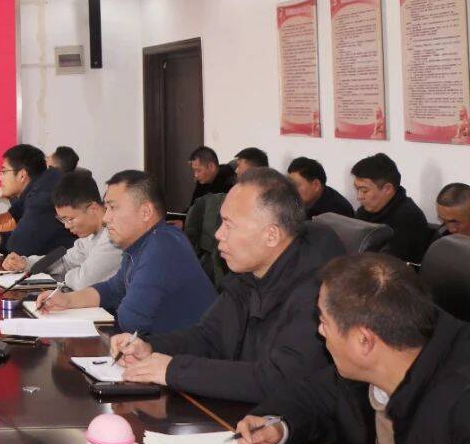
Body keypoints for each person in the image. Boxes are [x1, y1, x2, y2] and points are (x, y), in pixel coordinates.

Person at [112, 168, 345, 403]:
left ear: (271, 235)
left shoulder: (319, 292)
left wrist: (173, 370)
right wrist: (150, 347)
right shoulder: (248, 275)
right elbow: (208, 337)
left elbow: (277, 379)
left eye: (228, 224)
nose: (218, 234)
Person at [236, 253, 470, 444]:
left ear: (364, 341)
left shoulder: (460, 404)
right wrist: (278, 425)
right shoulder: (391, 353)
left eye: (324, 322)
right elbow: (316, 395)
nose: (320, 331)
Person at [36, 170, 214, 335]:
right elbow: (112, 289)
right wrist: (67, 300)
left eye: (113, 208)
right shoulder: (140, 245)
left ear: (145, 212)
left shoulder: (162, 246)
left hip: (189, 354)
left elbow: (131, 320)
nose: (106, 218)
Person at [5, 169, 120, 289]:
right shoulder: (89, 236)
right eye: (62, 220)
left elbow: (83, 282)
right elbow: (65, 262)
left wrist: (68, 275)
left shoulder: (113, 236)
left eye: (70, 219)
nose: (66, 226)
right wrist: (25, 263)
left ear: (93, 209)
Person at [351, 153, 433, 263]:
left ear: (387, 189)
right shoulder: (365, 211)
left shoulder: (407, 218)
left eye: (364, 190)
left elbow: (388, 266)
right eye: (357, 189)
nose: (359, 197)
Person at [0, 144, 74, 258]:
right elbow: (17, 228)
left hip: (67, 265)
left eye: (3, 171)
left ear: (22, 175)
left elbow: (17, 247)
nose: (0, 178)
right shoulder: (42, 183)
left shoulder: (42, 197)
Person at [286, 156, 354, 218]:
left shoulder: (337, 211)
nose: (291, 190)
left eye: (296, 185)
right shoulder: (296, 201)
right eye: (289, 185)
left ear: (316, 185)